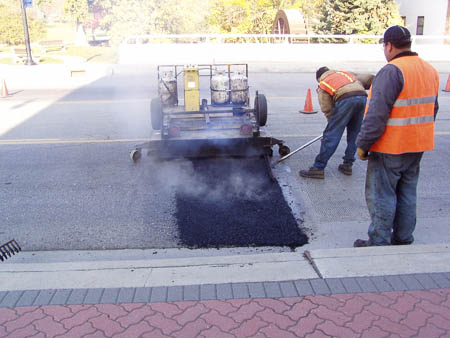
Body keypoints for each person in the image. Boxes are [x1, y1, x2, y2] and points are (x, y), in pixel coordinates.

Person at [354, 25, 439, 247]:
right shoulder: (429, 70)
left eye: (384, 46)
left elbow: (376, 115)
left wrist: (363, 144)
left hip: (390, 147)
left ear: (389, 45)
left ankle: (379, 241)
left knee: (382, 195)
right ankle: (403, 238)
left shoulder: (391, 71)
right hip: (418, 145)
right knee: (408, 192)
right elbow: (433, 109)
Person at [299, 67, 374, 179]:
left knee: (331, 135)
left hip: (346, 98)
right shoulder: (344, 73)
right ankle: (347, 165)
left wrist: (333, 124)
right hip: (362, 96)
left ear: (319, 78)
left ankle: (318, 168)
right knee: (354, 134)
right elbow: (367, 78)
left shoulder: (323, 83)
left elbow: (327, 107)